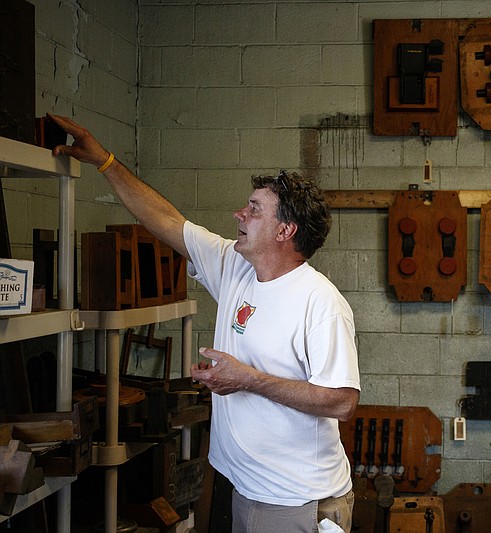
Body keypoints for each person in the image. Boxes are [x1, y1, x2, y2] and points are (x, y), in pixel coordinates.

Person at [48, 113, 361, 533]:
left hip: (295, 499)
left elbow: (342, 402)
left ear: (285, 230)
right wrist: (104, 161)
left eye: (254, 209)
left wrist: (248, 379)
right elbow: (163, 219)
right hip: (246, 488)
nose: (238, 214)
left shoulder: (321, 302)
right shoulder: (235, 266)